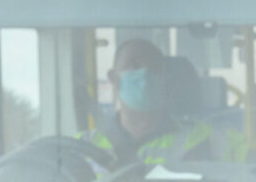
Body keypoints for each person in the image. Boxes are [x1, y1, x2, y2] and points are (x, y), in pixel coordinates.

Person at [92, 37, 231, 168]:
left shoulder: (207, 139)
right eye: (134, 65)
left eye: (154, 68)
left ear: (165, 80)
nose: (145, 73)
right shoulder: (86, 143)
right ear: (113, 78)